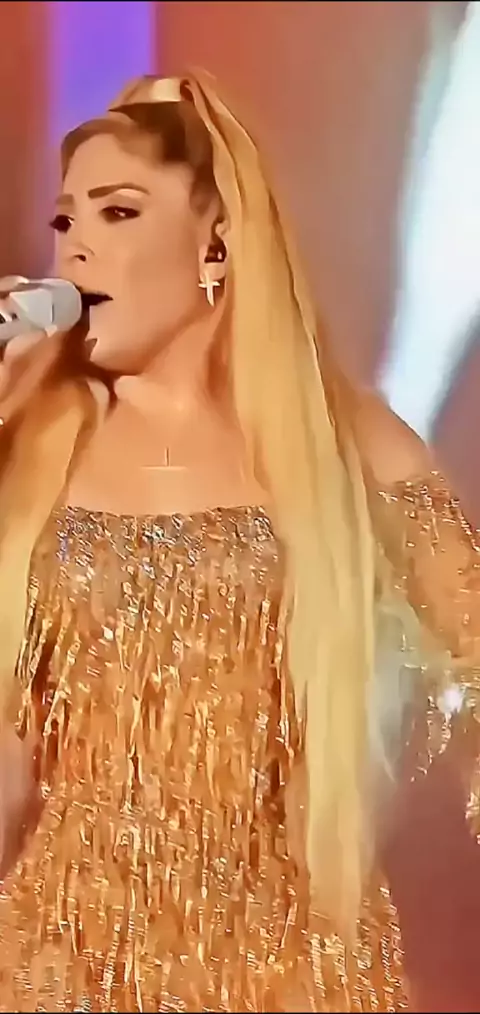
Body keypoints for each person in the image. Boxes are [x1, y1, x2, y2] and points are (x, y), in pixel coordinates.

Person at [0, 71, 478, 1013]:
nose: (76, 243)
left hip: (292, 966)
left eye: (118, 210)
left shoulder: (349, 448)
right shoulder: (32, 447)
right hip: (60, 963)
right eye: (65, 220)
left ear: (215, 239)